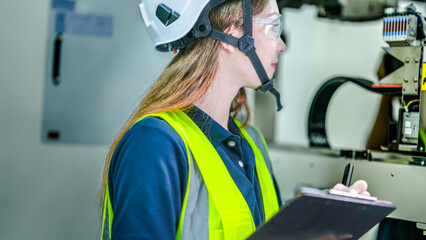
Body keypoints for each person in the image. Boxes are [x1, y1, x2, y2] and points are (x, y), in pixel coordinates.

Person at [100, 0, 369, 239]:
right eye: (274, 27)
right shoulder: (154, 144)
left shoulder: (252, 142)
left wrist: (316, 228)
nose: (282, 45)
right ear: (231, 31)